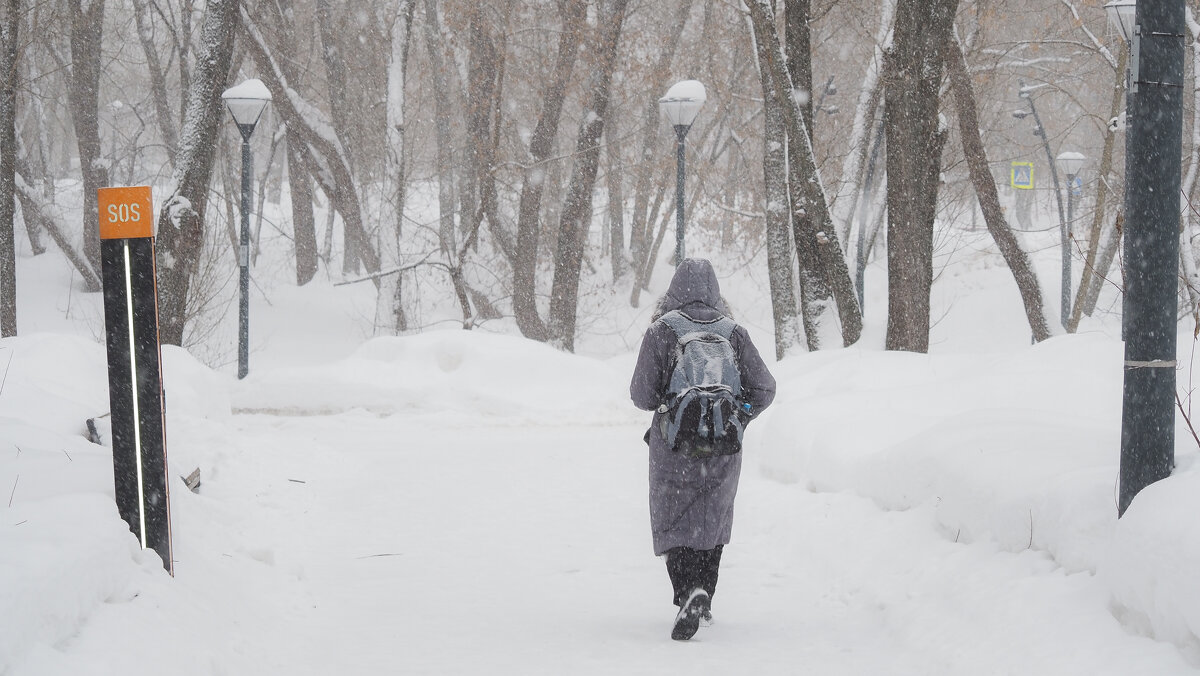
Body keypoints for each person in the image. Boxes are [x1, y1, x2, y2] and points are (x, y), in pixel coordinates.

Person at [629, 258, 776, 641]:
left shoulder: (662, 330)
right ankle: (705, 595)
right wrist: (738, 416)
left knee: (673, 518)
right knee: (714, 518)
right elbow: (765, 388)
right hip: (724, 446)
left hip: (673, 446)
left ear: (674, 289)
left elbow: (641, 396)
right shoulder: (734, 333)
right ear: (715, 291)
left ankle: (686, 591)